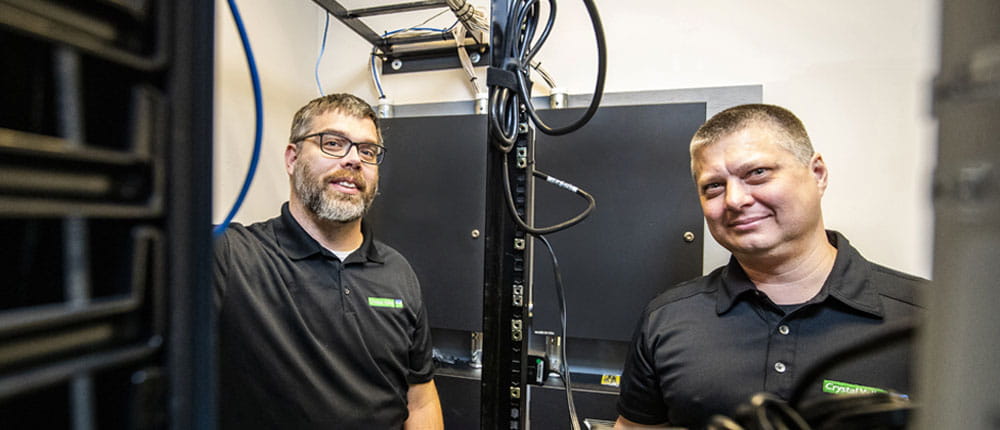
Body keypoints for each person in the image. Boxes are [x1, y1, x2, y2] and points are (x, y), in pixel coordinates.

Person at [615, 104, 925, 429]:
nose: (735, 200)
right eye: (714, 187)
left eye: (757, 173)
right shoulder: (667, 319)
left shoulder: (930, 319)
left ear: (817, 174)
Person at [213, 93, 443, 429]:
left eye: (367, 151)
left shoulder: (397, 272)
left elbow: (420, 399)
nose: (354, 160)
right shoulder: (233, 256)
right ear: (292, 158)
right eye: (333, 143)